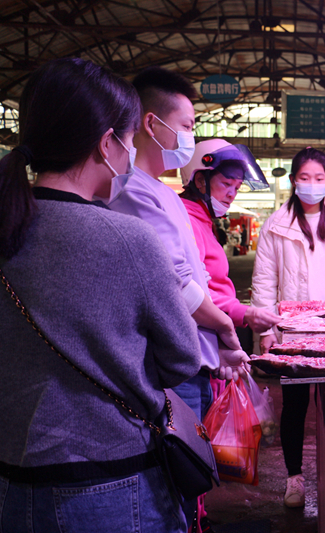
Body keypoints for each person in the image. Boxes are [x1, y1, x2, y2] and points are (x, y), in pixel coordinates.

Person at [0, 58, 200, 532]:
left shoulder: (8, 226)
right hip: (112, 485)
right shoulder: (128, 238)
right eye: (130, 141)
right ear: (107, 143)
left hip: (9, 481)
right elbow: (183, 358)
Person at [106, 67, 247, 531]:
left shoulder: (159, 193)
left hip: (192, 359)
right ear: (151, 124)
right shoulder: (133, 193)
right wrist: (226, 328)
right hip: (170, 367)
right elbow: (178, 285)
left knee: (189, 484)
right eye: (186, 126)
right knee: (174, 488)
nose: (190, 136)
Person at [251, 147, 325, 508]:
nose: (311, 184)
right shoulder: (276, 225)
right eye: (304, 178)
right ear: (293, 180)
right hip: (295, 331)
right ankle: (294, 479)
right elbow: (263, 282)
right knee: (295, 405)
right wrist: (267, 332)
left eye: (319, 178)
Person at [179, 139, 282, 356]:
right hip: (198, 345)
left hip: (211, 339)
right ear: (199, 180)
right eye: (226, 184)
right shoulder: (186, 221)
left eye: (237, 187)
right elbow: (188, 288)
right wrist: (242, 312)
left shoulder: (202, 221)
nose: (232, 194)